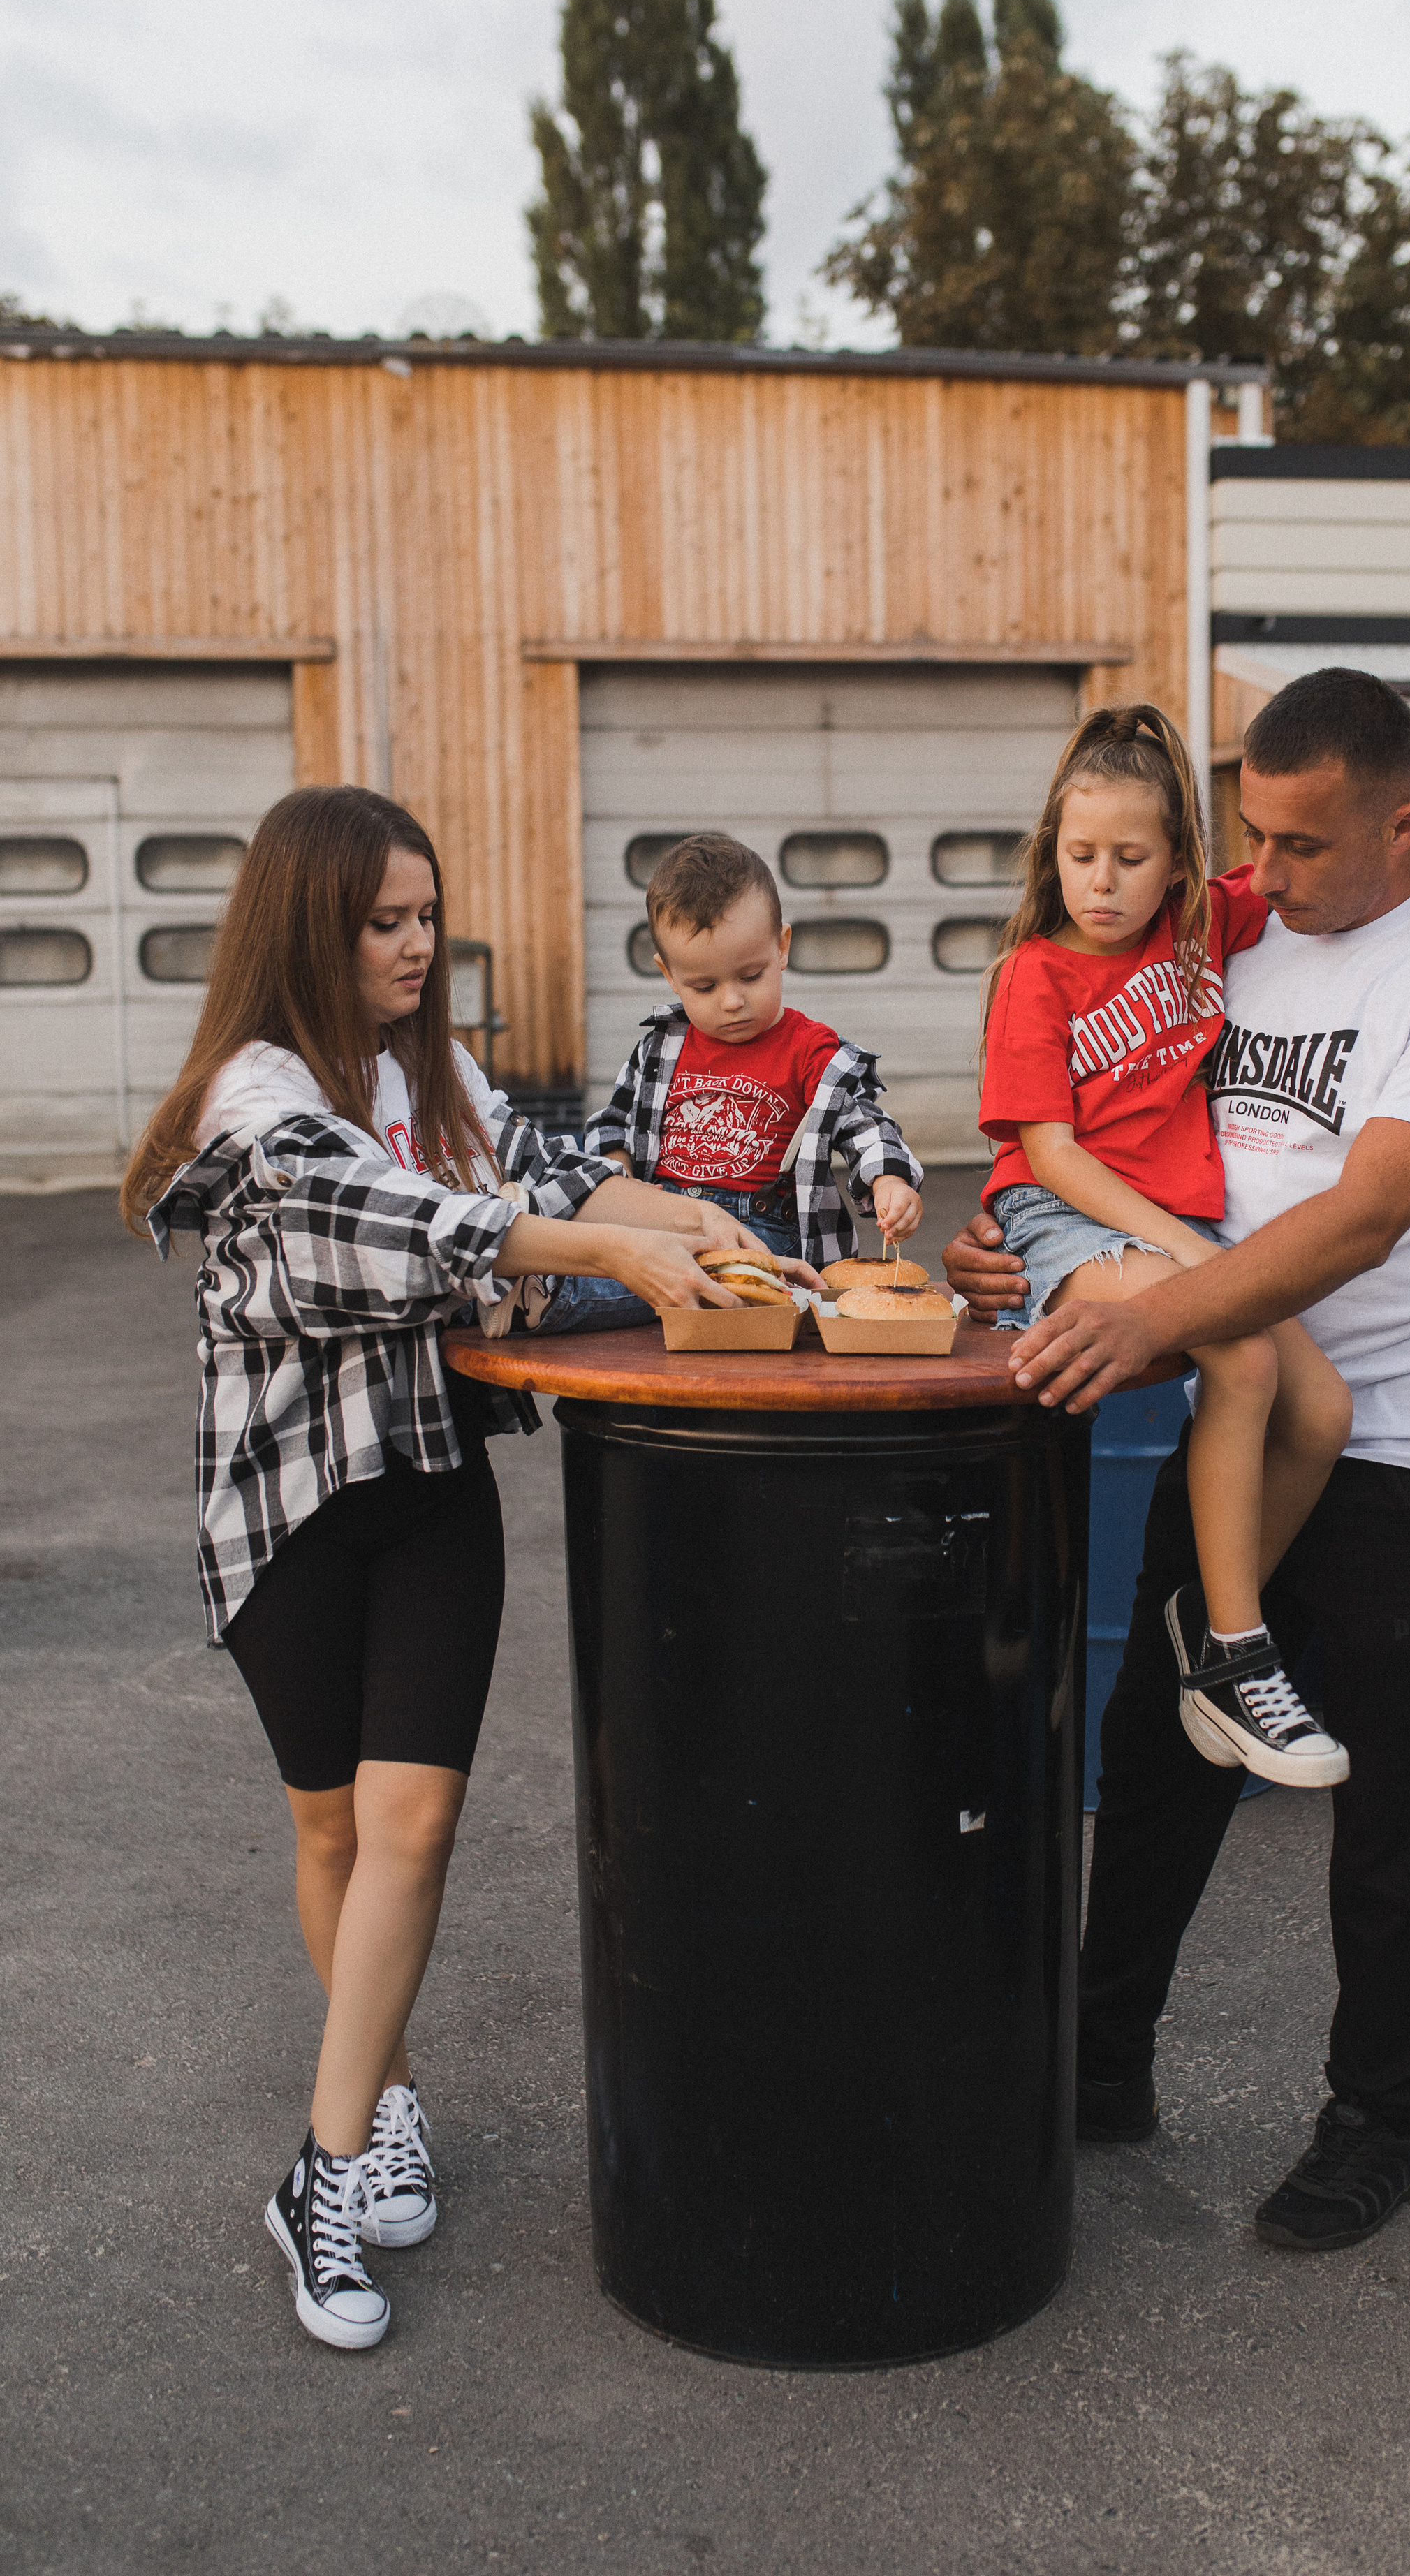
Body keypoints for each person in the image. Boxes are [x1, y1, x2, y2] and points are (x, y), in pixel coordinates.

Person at [121, 785, 754, 2353]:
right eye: (383, 923)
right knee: (329, 1828)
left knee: (413, 1819)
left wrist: (685, 1217)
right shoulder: (252, 1096)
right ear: (308, 928)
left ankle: (322, 2172)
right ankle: (384, 2090)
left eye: (424, 917)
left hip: (424, 1486)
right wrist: (606, 1255)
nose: (415, 947)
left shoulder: (434, 1065)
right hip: (286, 1503)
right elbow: (384, 1219)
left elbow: (541, 1167)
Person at [944, 667, 1410, 2251]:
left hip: (1403, 1434)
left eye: (1295, 846)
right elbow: (1090, 1121)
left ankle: (1373, 2120)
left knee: (1392, 1815)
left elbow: (1355, 1220)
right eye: (1252, 837)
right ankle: (1099, 2065)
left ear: (1404, 828)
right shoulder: (1224, 932)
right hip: (1243, 1422)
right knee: (1159, 1755)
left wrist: (1154, 1322)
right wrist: (1048, 1254)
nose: (1260, 876)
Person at [977, 702, 1410, 1789]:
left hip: (1183, 1236)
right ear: (1053, 855)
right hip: (1075, 1212)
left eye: (1130, 857)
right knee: (1250, 1359)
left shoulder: (1209, 928)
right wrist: (1185, 1248)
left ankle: (1216, 1639)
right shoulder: (1034, 973)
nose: (1103, 881)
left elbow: (1371, 852)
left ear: (1176, 869)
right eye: (1082, 857)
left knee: (1323, 1407)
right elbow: (1053, 1156)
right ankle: (1240, 1650)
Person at [556, 833, 921, 1324]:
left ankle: (554, 1299)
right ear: (668, 974)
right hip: (665, 1223)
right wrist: (621, 1177)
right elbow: (613, 1124)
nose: (731, 1001)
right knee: (615, 1264)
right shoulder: (660, 1048)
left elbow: (864, 1125)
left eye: (751, 976)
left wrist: (890, 1181)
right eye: (703, 986)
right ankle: (548, 1295)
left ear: (782, 946)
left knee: (719, 1287)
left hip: (764, 1234)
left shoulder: (809, 1049)